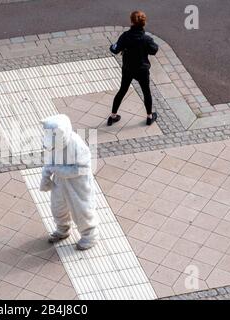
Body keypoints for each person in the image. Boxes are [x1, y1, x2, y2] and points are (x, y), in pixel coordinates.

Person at [39, 114, 98, 251]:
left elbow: (83, 168)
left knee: (81, 210)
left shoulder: (77, 145)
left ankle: (90, 236)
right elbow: (49, 160)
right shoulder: (52, 143)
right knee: (58, 207)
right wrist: (46, 175)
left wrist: (58, 170)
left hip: (77, 185)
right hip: (60, 182)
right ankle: (63, 229)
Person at [108, 10, 159, 126]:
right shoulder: (146, 39)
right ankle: (149, 116)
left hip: (128, 69)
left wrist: (112, 46)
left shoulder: (125, 36)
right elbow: (154, 50)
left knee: (122, 90)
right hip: (142, 70)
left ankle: (113, 116)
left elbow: (115, 49)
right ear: (144, 23)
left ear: (131, 22)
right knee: (146, 92)